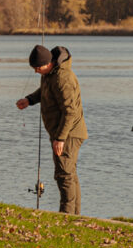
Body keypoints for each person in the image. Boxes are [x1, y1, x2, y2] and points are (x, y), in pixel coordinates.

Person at [16, 44, 87, 215]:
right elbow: (45, 91)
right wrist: (29, 100)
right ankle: (75, 216)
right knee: (69, 173)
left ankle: (67, 217)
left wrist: (60, 138)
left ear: (47, 64)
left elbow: (70, 112)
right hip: (60, 132)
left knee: (64, 175)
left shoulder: (63, 78)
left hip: (69, 133)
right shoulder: (50, 74)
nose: (35, 72)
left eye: (37, 68)